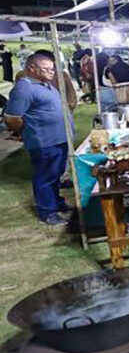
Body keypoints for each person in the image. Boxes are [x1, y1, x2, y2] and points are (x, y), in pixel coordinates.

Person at [3, 53, 73, 225]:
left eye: (52, 69)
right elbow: (12, 118)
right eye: (46, 69)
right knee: (45, 177)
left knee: (55, 175)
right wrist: (27, 132)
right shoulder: (23, 88)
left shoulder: (45, 84)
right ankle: (47, 211)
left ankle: (56, 202)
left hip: (59, 139)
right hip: (44, 142)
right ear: (32, 68)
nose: (51, 73)